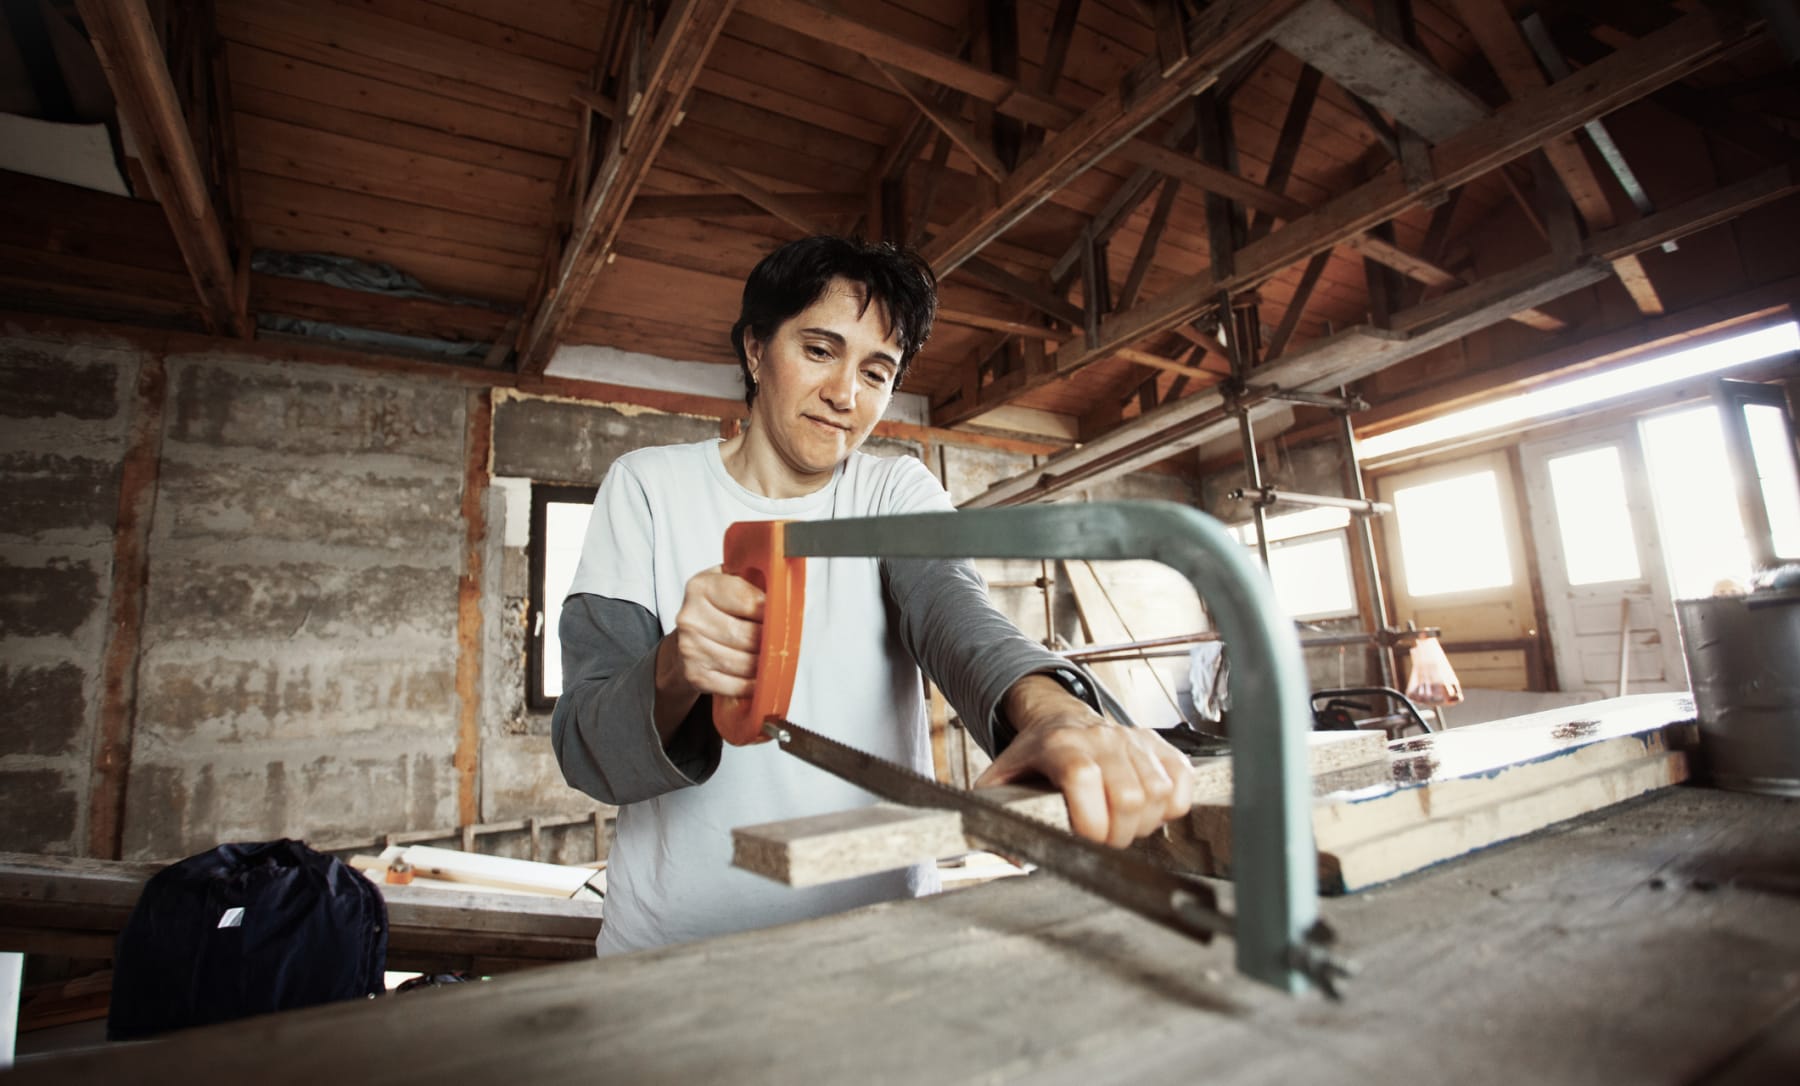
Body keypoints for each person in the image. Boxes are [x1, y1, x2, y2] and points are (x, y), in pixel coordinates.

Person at [552, 235, 1196, 955]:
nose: (846, 395)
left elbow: (958, 613)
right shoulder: (645, 488)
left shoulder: (894, 489)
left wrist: (1052, 714)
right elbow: (587, 751)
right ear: (756, 349)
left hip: (881, 942)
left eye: (877, 370)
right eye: (820, 351)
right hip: (670, 951)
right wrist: (673, 667)